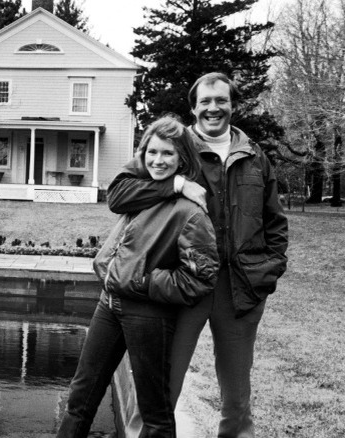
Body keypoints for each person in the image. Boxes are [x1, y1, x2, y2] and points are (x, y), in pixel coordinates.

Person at [106, 72, 289, 437]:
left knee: (237, 398)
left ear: (232, 105)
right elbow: (119, 194)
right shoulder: (175, 147)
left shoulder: (255, 157)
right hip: (183, 286)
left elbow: (276, 222)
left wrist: (268, 270)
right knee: (161, 390)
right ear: (193, 107)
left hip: (240, 289)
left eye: (221, 100)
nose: (213, 108)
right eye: (205, 101)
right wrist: (175, 183)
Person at [57, 116, 220, 438]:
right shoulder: (143, 191)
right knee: (81, 397)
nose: (158, 160)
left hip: (148, 314)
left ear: (182, 159)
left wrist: (145, 283)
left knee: (154, 411)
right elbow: (117, 197)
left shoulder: (190, 212)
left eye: (168, 154)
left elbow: (201, 278)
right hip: (110, 305)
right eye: (152, 152)